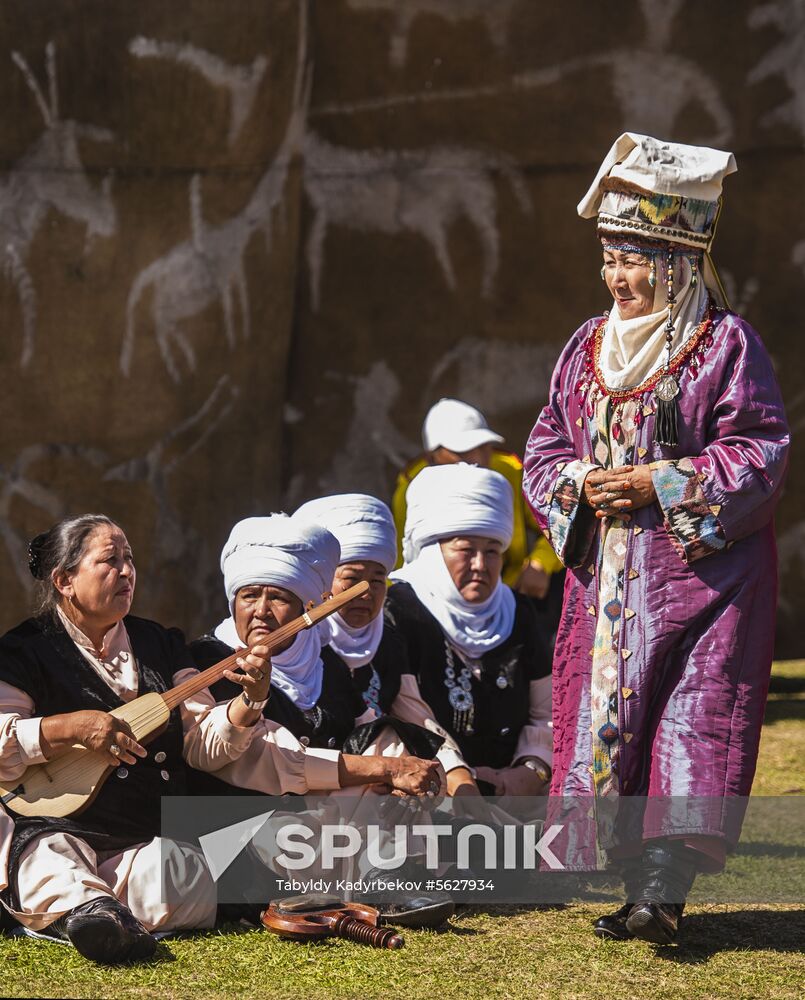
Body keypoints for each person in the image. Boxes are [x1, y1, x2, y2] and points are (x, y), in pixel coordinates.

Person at [522, 133, 790, 944]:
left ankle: (659, 894)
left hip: (707, 581)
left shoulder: (724, 346)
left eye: (633, 261)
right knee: (611, 720)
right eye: (608, 259)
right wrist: (578, 485)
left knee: (689, 721)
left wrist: (657, 482)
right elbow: (544, 446)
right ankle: (630, 881)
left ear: (677, 263)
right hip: (608, 583)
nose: (616, 278)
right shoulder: (584, 348)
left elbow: (759, 450)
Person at [0, 514, 282, 963]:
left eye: (130, 560)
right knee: (47, 856)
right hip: (58, 825)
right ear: (65, 580)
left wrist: (250, 702)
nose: (127, 572)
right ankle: (90, 908)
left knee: (173, 869)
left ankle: (91, 914)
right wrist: (66, 728)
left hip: (144, 834)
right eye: (110, 561)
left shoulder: (159, 643)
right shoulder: (23, 651)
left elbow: (203, 745)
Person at [188, 514, 444, 797]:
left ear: (305, 608)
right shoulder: (206, 659)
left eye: (279, 598)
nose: (261, 610)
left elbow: (366, 731)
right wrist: (386, 769)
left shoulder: (324, 661)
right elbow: (266, 758)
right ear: (233, 602)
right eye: (249, 596)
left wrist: (395, 779)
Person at [386, 463, 553, 798]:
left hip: (517, 792)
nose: (480, 564)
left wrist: (532, 769)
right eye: (465, 550)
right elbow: (409, 714)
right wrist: (458, 779)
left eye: (492, 551)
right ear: (434, 551)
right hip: (432, 791)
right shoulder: (399, 609)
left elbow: (546, 710)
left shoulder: (516, 611)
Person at [295, 492, 476, 795]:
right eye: (351, 580)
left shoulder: (386, 639)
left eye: (377, 581)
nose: (365, 593)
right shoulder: (298, 648)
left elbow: (416, 715)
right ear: (323, 584)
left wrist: (460, 777)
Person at [391, 398, 564, 612]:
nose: (479, 458)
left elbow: (555, 524)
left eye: (484, 447)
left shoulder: (507, 471)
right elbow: (405, 560)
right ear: (432, 456)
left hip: (513, 592)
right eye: (463, 451)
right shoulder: (412, 490)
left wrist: (540, 564)